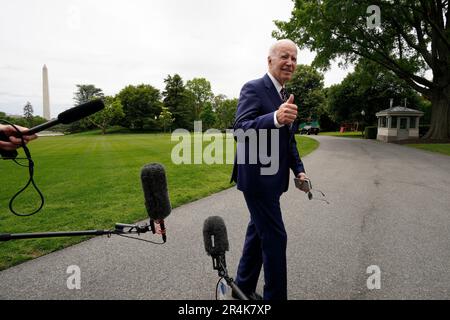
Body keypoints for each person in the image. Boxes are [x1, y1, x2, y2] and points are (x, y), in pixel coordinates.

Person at [230, 39, 309, 300]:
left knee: (257, 234)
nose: (290, 62)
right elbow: (240, 130)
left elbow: (289, 140)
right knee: (276, 238)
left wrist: (299, 170)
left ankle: (242, 287)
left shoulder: (285, 96)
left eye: (294, 58)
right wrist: (275, 117)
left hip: (274, 181)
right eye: (284, 56)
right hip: (257, 180)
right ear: (270, 61)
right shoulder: (253, 88)